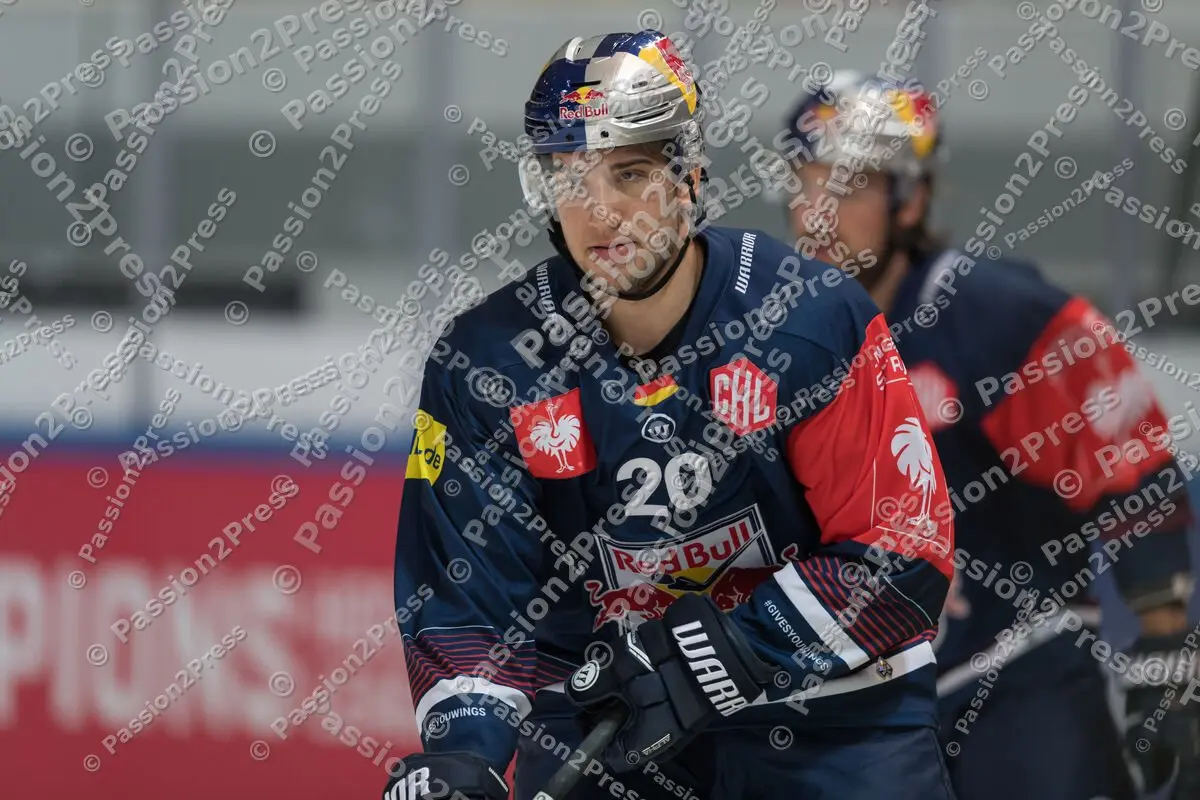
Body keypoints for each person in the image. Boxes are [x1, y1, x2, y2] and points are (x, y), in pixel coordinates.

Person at [386, 31, 958, 800]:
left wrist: (716, 655)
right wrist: (465, 756)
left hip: (837, 723)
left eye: (629, 174)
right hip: (610, 726)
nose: (601, 211)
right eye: (570, 177)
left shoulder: (811, 318)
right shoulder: (488, 361)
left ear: (688, 176)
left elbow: (901, 554)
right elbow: (470, 603)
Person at [779, 70, 1200, 800]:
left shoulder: (1001, 314)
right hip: (864, 703)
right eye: (805, 185)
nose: (817, 214)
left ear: (911, 199)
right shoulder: (778, 334)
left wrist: (1165, 657)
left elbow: (1133, 472)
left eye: (848, 189)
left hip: (1018, 672)